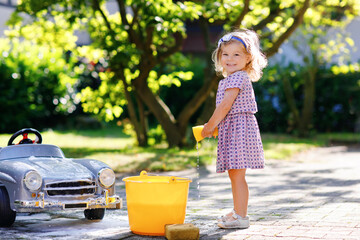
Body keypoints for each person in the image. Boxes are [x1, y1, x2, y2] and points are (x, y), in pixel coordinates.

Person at [201, 29, 267, 229]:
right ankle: (239, 211)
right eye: (225, 54)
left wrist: (210, 125)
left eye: (236, 54)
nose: (230, 59)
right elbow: (227, 109)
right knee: (235, 174)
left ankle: (241, 216)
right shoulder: (228, 79)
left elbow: (225, 106)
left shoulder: (238, 77)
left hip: (240, 130)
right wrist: (219, 126)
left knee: (237, 174)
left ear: (248, 58)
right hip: (235, 128)